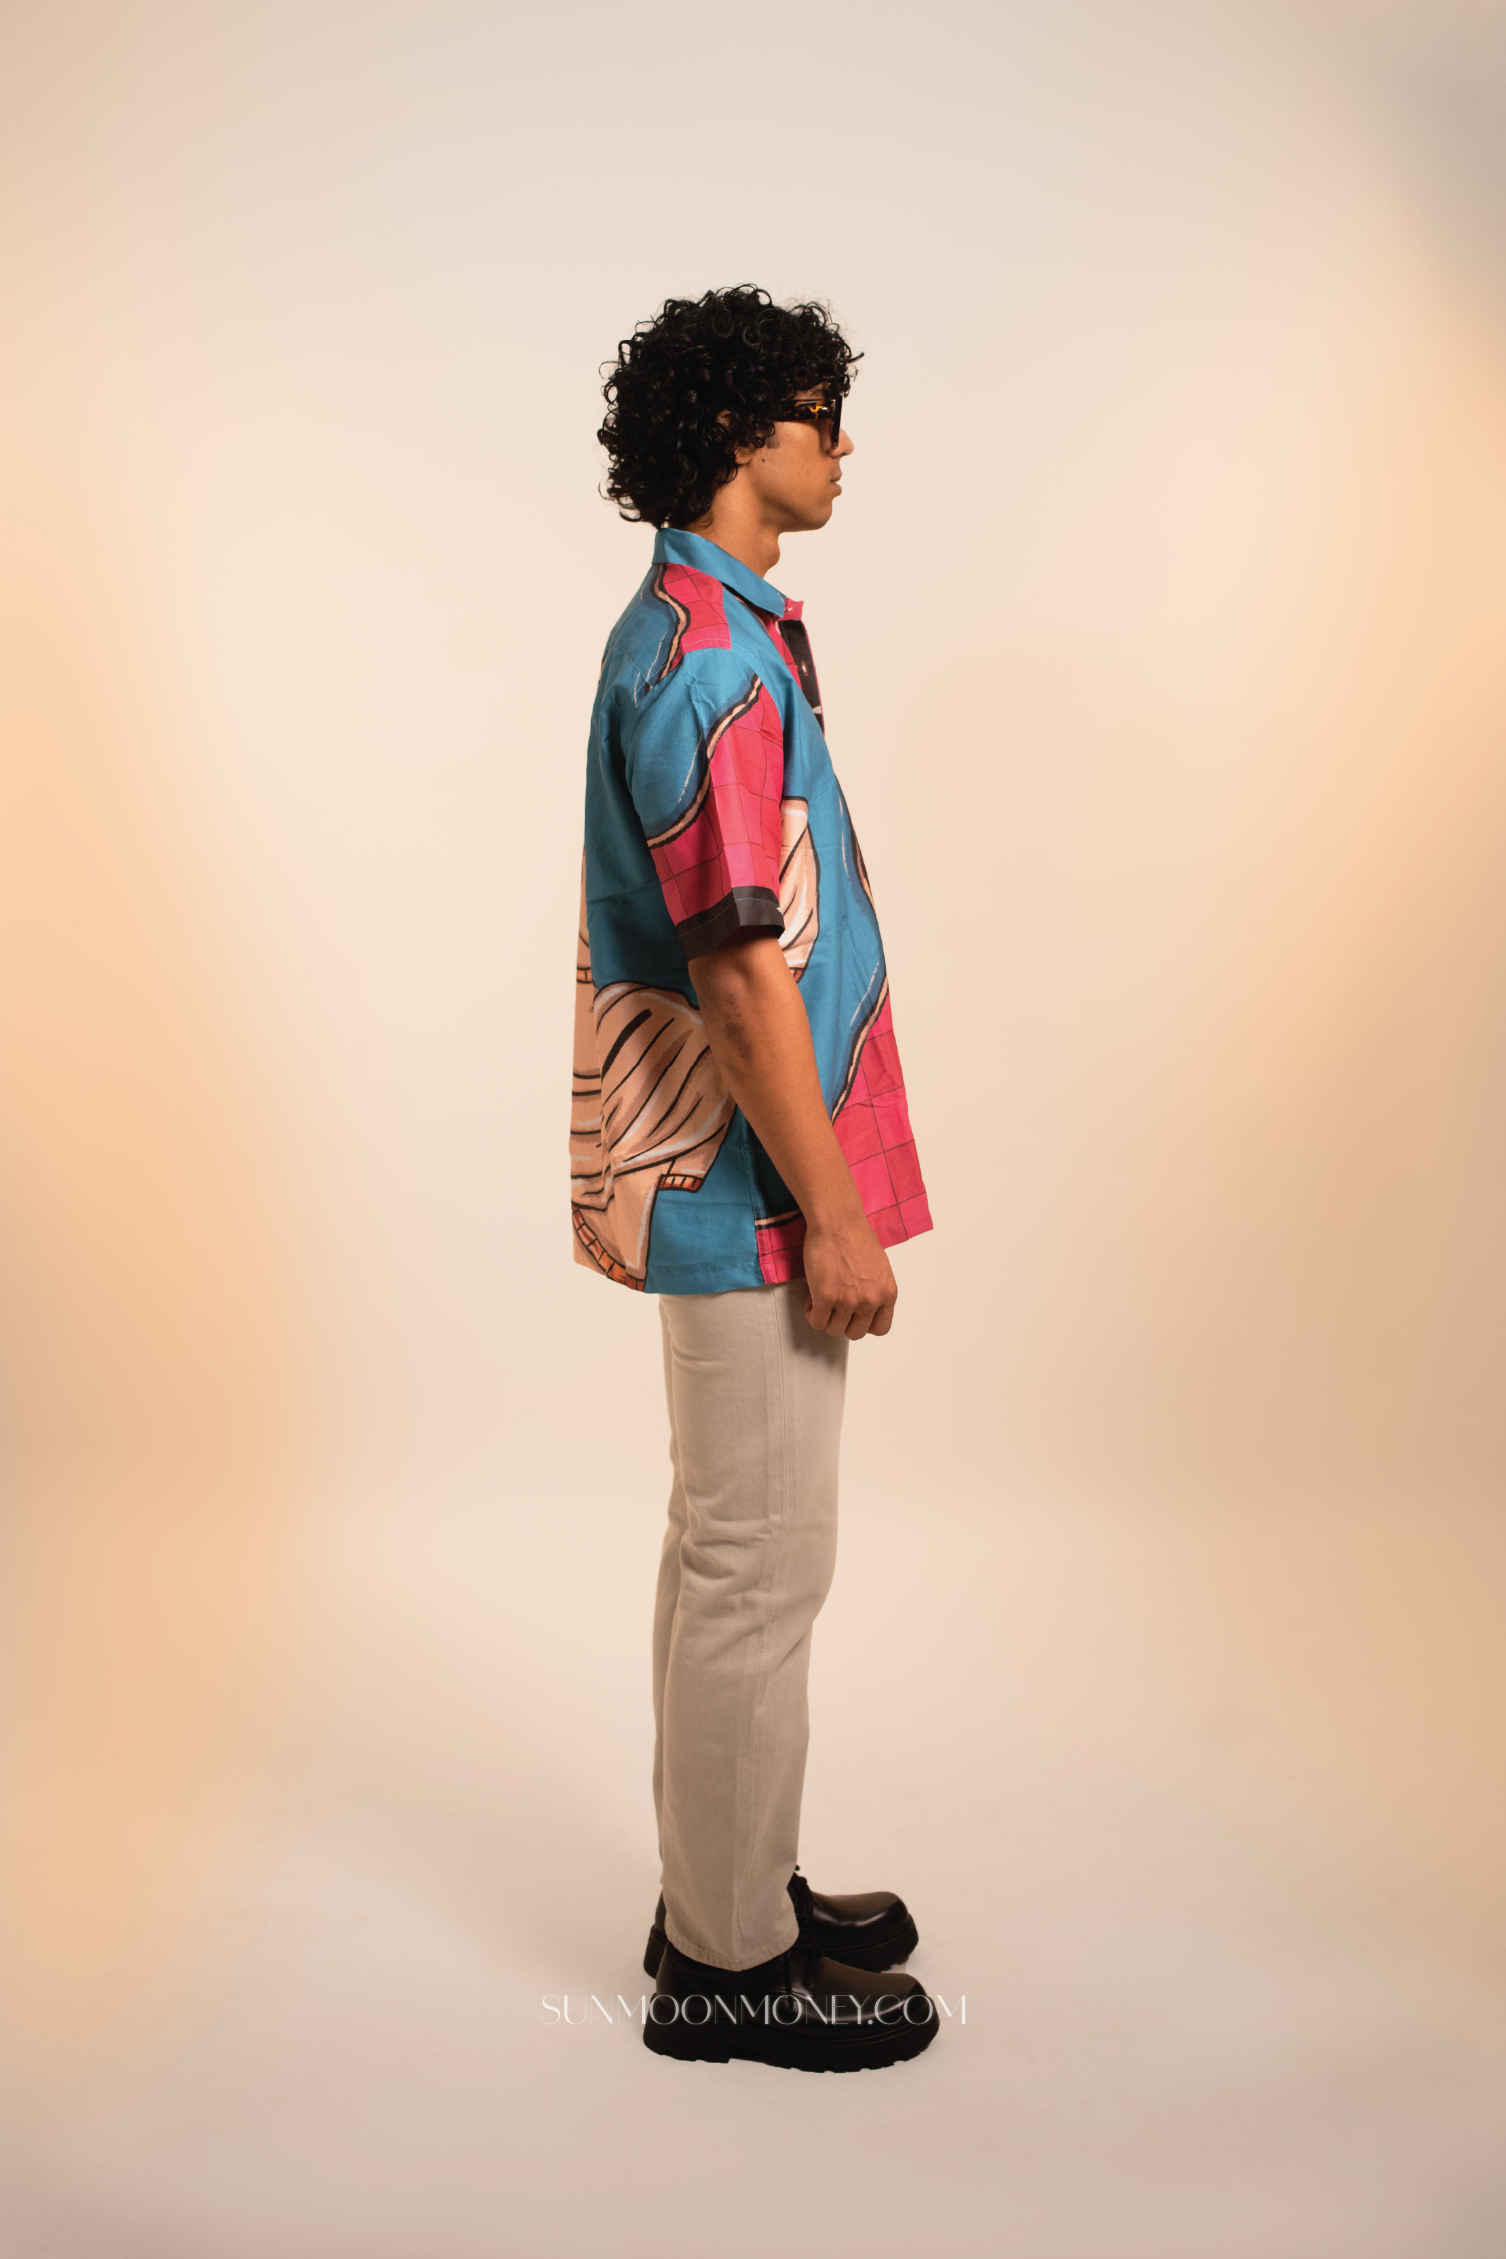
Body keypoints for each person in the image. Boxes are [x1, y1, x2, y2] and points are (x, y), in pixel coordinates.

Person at [573, 287, 936, 2072]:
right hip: (752, 1189)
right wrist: (835, 1211)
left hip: (739, 1175)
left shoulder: (712, 626)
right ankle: (728, 1967)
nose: (841, 445)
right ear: (737, 436)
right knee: (757, 1564)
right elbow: (735, 967)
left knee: (733, 1550)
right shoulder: (711, 660)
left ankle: (726, 1890)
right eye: (815, 414)